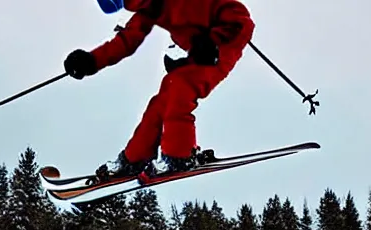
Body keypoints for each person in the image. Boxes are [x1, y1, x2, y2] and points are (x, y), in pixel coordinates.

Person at [63, 0, 255, 182]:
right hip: (197, 49)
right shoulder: (151, 7)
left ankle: (178, 156)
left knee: (181, 86)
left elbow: (239, 18)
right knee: (162, 99)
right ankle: (135, 159)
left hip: (223, 43)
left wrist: (214, 40)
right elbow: (126, 41)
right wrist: (90, 61)